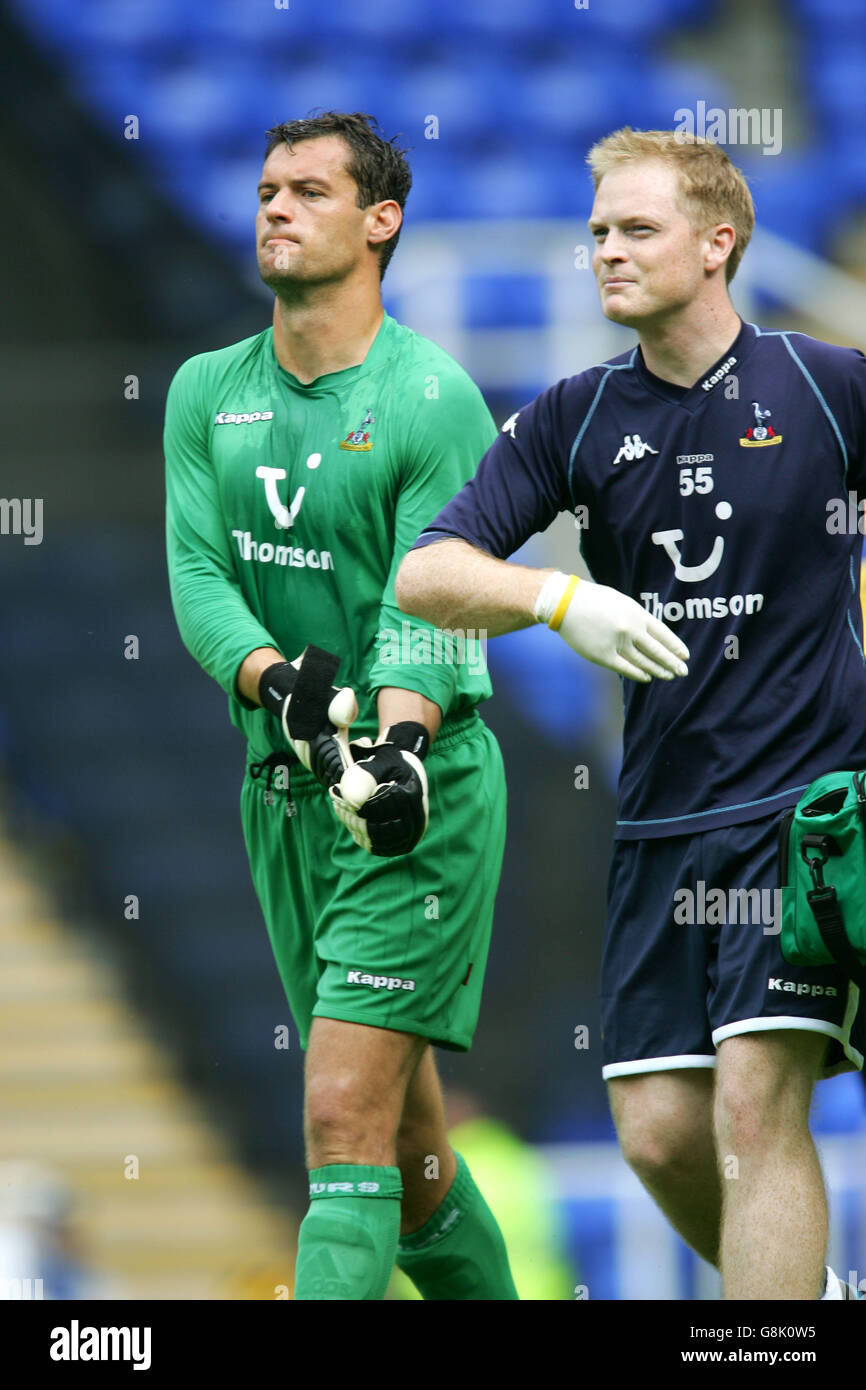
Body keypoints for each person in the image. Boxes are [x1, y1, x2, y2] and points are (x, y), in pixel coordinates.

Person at [395, 127, 866, 1300]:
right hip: (659, 822)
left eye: (634, 229)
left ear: (718, 244)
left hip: (803, 816)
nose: (603, 250)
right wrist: (557, 597)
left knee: (757, 1107)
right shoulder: (573, 414)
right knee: (658, 1131)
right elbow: (426, 573)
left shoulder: (822, 383)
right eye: (596, 230)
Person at [164, 111, 517, 1300]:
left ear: (381, 222)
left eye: (307, 189)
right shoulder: (204, 390)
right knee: (408, 1162)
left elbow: (431, 600)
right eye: (265, 187)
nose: (273, 206)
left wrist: (394, 746)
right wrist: (284, 690)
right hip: (282, 788)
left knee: (335, 1122)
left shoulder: (431, 396)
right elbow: (199, 580)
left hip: (411, 801)